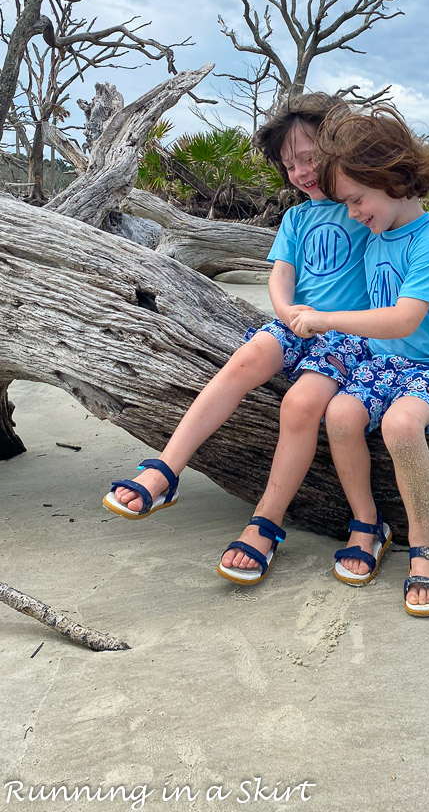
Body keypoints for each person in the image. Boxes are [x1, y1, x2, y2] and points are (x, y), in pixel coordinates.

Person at [103, 92, 372, 585]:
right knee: (242, 362)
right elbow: (281, 275)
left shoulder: (364, 207)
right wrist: (286, 311)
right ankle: (166, 469)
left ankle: (265, 522)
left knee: (300, 405)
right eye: (291, 164)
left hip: (347, 337)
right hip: (297, 324)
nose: (302, 172)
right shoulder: (296, 218)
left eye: (310, 158)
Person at [289, 105, 429, 617]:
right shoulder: (374, 235)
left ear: (390, 175)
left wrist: (325, 319)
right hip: (380, 363)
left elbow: (405, 319)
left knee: (401, 423)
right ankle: (367, 523)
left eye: (356, 198)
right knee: (340, 414)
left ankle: (425, 544)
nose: (351, 212)